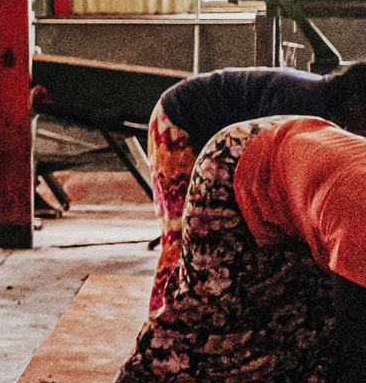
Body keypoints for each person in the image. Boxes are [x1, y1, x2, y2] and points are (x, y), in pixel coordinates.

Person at [87, 114, 366, 383]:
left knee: (312, 307)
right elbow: (356, 339)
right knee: (208, 301)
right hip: (231, 164)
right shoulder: (359, 226)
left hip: (303, 151)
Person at [141, 65, 366, 304]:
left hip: (213, 134)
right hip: (179, 120)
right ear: (355, 106)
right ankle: (160, 322)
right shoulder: (301, 104)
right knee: (179, 240)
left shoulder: (326, 103)